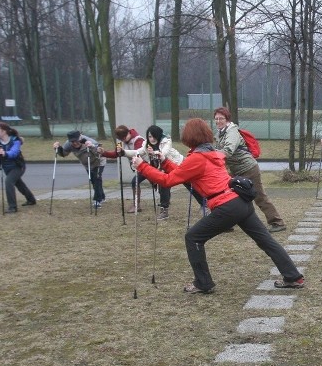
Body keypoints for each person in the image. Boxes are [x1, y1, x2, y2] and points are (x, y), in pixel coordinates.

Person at [132, 118, 305, 294]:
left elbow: (167, 181)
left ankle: (203, 283)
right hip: (241, 202)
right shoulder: (211, 153)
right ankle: (293, 276)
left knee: (193, 238)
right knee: (265, 240)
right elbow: (183, 172)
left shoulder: (197, 158)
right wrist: (164, 161)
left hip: (226, 206)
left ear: (190, 137)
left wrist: (142, 166)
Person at [213, 107, 286, 233]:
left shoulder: (232, 132)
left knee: (259, 196)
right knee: (227, 196)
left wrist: (210, 155)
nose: (218, 121)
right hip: (236, 170)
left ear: (227, 119)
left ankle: (277, 222)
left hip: (249, 168)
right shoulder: (220, 133)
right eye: (216, 119)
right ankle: (226, 223)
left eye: (221, 118)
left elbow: (228, 151)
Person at [98, 125, 146, 213]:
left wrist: (123, 152)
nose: (122, 140)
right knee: (135, 182)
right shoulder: (122, 142)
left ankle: (164, 202)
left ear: (128, 133)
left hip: (148, 165)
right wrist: (103, 152)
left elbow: (137, 154)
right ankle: (136, 205)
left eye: (123, 138)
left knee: (158, 183)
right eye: (120, 139)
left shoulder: (138, 140)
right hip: (140, 168)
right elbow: (116, 154)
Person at [54, 130, 106, 208]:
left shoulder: (88, 141)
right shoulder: (68, 144)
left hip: (98, 161)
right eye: (72, 141)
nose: (74, 143)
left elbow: (100, 152)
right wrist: (58, 148)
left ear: (80, 138)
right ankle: (102, 196)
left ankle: (97, 200)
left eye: (76, 140)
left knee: (97, 179)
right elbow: (63, 154)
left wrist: (91, 146)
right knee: (93, 180)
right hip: (87, 164)